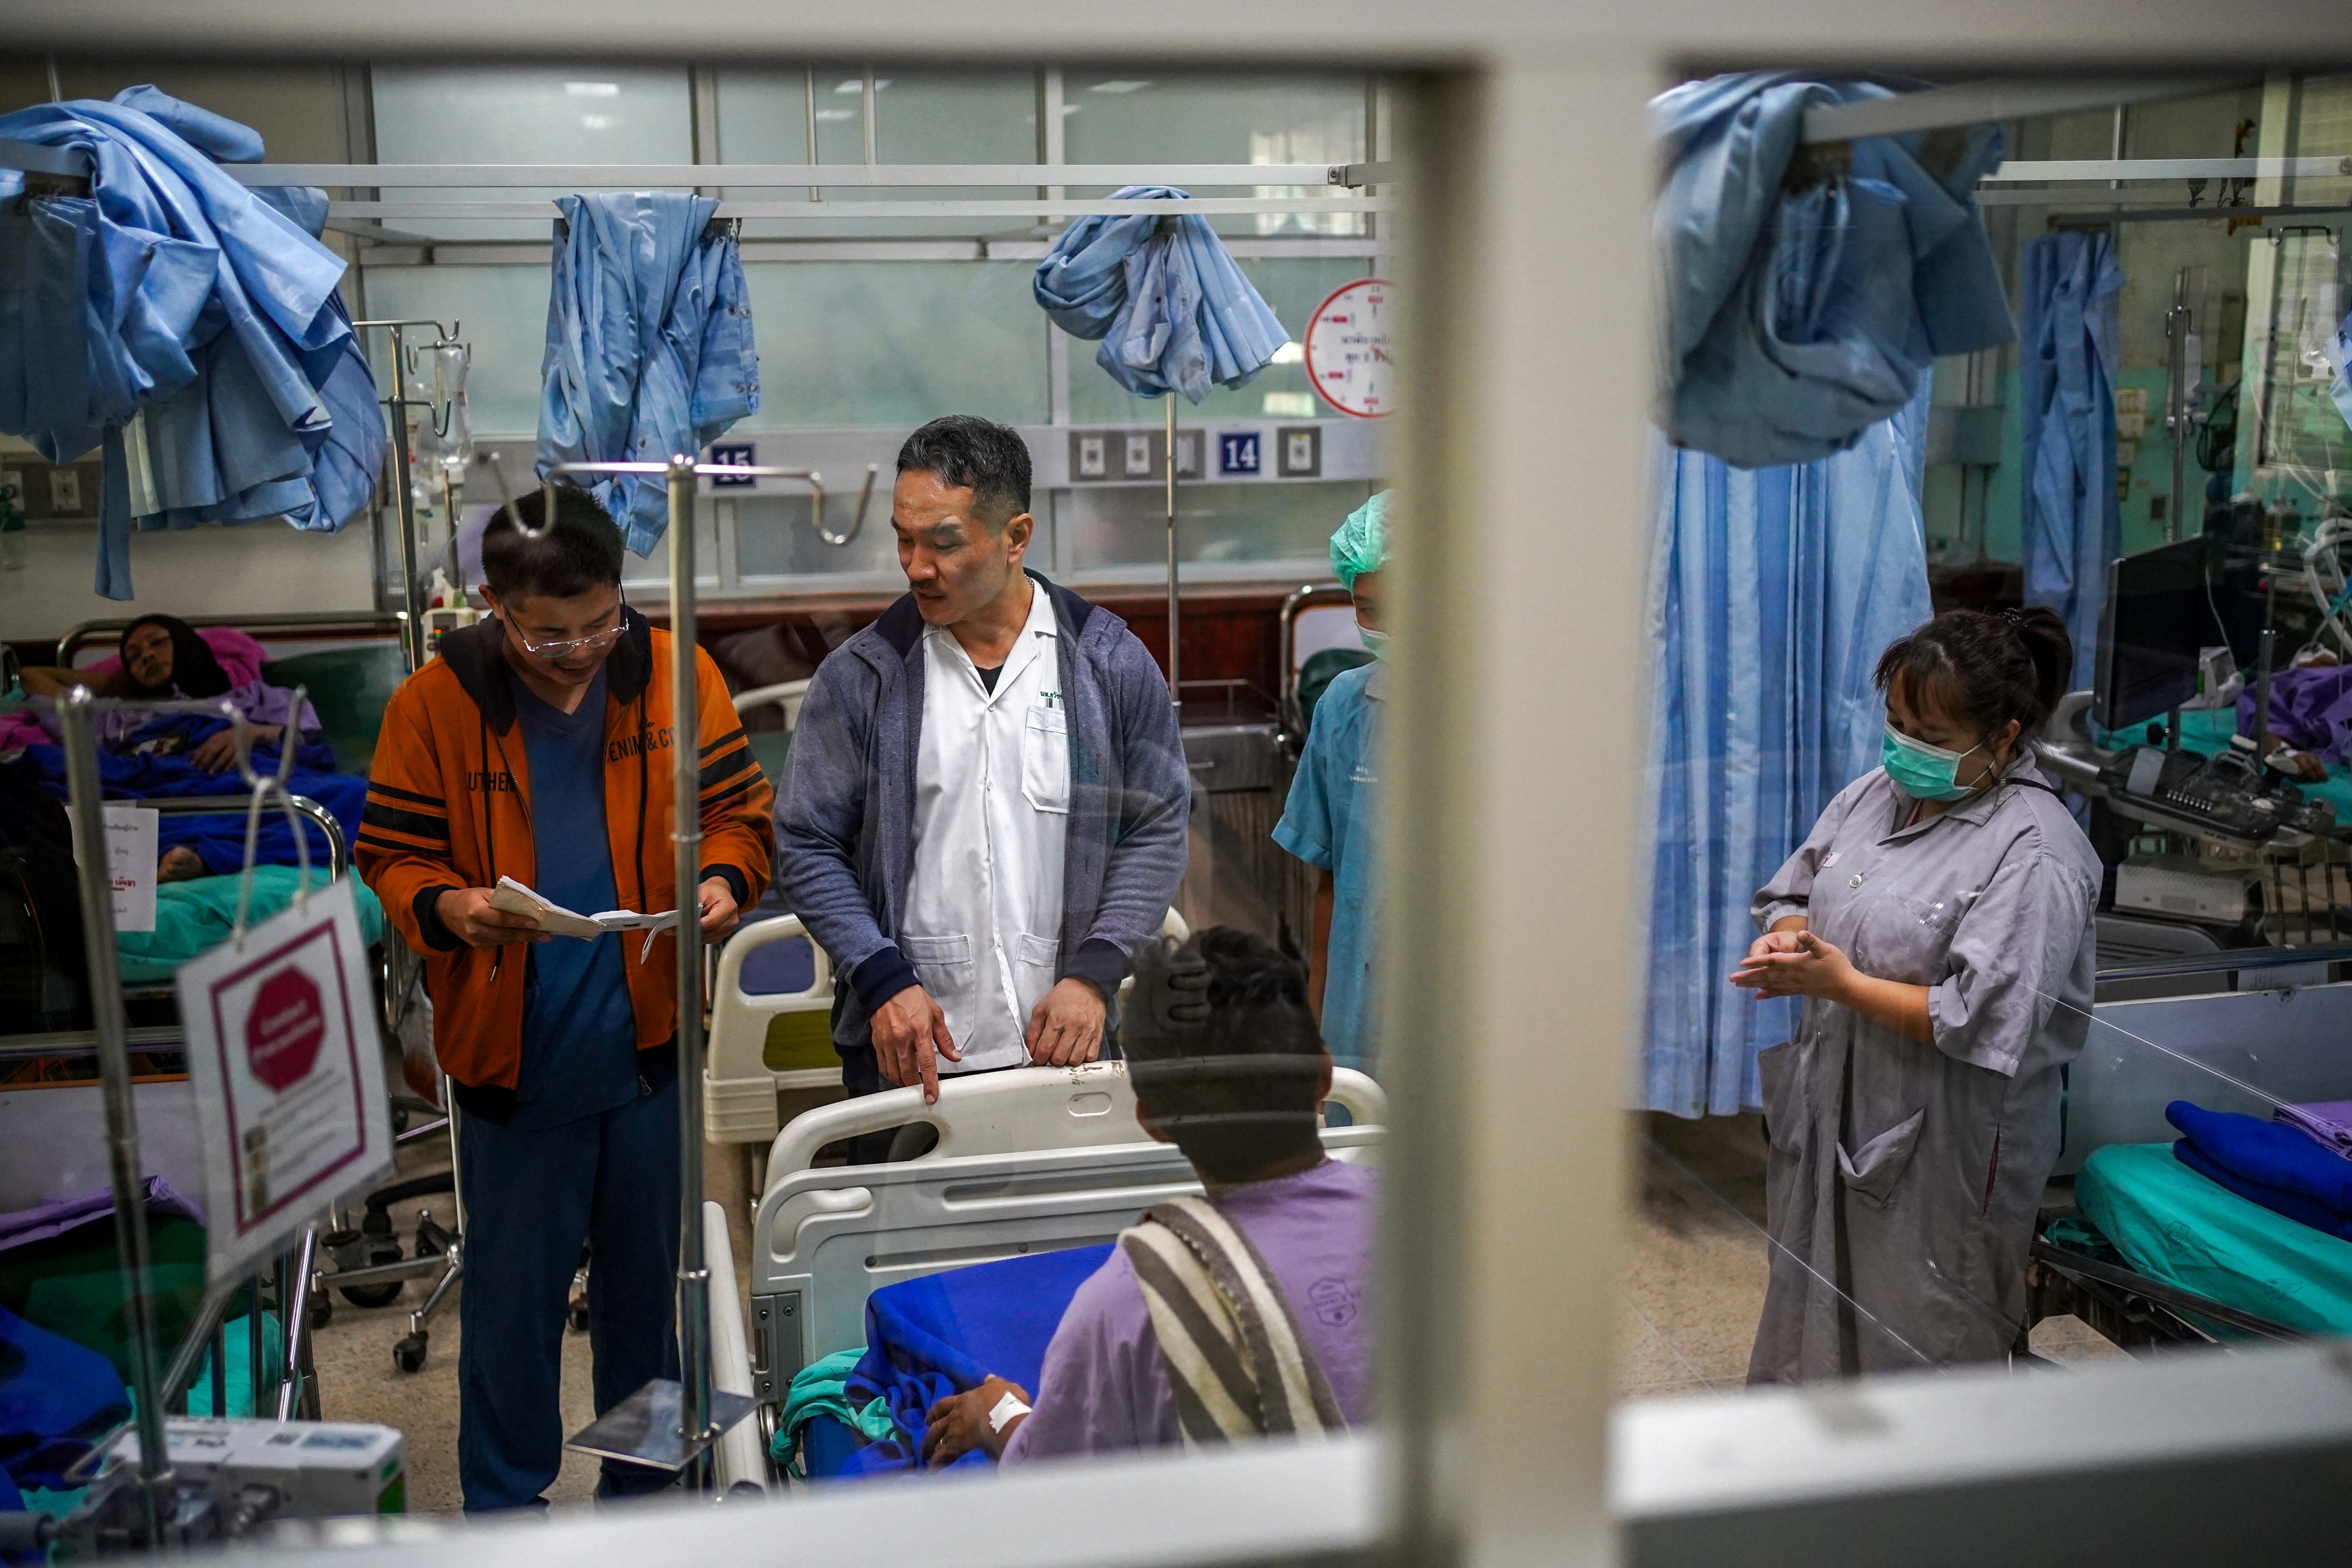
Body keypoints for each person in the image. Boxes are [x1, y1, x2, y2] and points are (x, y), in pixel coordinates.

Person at [355, 486, 773, 1510]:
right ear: (496, 606)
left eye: (600, 623)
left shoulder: (674, 673)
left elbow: (738, 810)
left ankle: (646, 1496)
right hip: (516, 1061)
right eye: (549, 635)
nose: (580, 651)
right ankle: (508, 1509)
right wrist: (449, 906)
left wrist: (725, 877)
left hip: (648, 1049)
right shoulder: (436, 704)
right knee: (514, 1313)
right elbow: (391, 854)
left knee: (650, 1303)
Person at [778, 414, 1189, 1114]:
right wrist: (879, 976)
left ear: (1015, 537)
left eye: (943, 543)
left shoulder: (1107, 665)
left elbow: (1155, 827)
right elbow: (806, 843)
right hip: (909, 1052)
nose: (916, 566)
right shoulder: (864, 677)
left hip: (1067, 1043)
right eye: (903, 540)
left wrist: (1095, 972)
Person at [1731, 606, 2100, 1383]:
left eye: (1930, 737)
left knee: (1923, 1344)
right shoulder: (1878, 793)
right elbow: (1795, 889)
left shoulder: (2036, 853)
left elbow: (1980, 1018)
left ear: (2003, 735)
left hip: (1943, 1146)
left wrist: (1841, 984)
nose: (1905, 748)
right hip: (1835, 1107)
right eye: (1896, 725)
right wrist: (1791, 936)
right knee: (1810, 1320)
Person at [920, 927, 1378, 1465]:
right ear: (1323, 1075)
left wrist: (996, 1414)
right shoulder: (1436, 1222)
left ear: (1152, 1120)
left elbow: (1050, 1473)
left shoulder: (1129, 1307)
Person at [20, 614, 326, 880]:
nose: (146, 656)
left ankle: (203, 856)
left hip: (237, 786)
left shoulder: (252, 696)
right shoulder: (116, 716)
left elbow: (307, 739)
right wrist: (118, 684)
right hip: (158, 789)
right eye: (134, 657)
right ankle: (206, 854)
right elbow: (32, 677)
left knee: (341, 797)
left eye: (157, 643)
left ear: (186, 645)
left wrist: (252, 733)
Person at [1273, 491, 1389, 1074]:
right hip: (1358, 1011)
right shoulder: (1345, 707)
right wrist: (1317, 1028)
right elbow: (1331, 886)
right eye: (1370, 609)